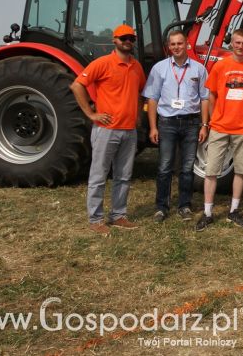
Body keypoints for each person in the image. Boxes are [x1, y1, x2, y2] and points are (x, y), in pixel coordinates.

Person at [70, 24, 146, 235]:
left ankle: (118, 215)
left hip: (129, 131)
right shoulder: (103, 63)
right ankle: (95, 219)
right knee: (99, 175)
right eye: (123, 38)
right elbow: (77, 85)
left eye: (131, 38)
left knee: (123, 176)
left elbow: (140, 93)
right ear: (114, 40)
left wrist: (138, 116)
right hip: (107, 130)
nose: (127, 41)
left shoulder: (137, 67)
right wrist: (91, 114)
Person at [195, 29, 243, 231]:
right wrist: (214, 118)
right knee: (211, 170)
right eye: (237, 42)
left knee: (241, 171)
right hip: (220, 126)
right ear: (232, 43)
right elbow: (213, 95)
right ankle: (208, 213)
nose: (241, 46)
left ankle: (233, 211)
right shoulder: (221, 66)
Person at [143, 30, 210, 223]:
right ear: (168, 46)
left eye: (179, 43)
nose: (176, 47)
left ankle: (184, 205)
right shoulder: (159, 68)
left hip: (191, 123)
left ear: (186, 44)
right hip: (167, 123)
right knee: (164, 167)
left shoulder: (199, 69)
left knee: (187, 168)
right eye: (172, 44)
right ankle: (161, 207)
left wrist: (204, 125)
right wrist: (153, 127)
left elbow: (205, 99)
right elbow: (152, 98)